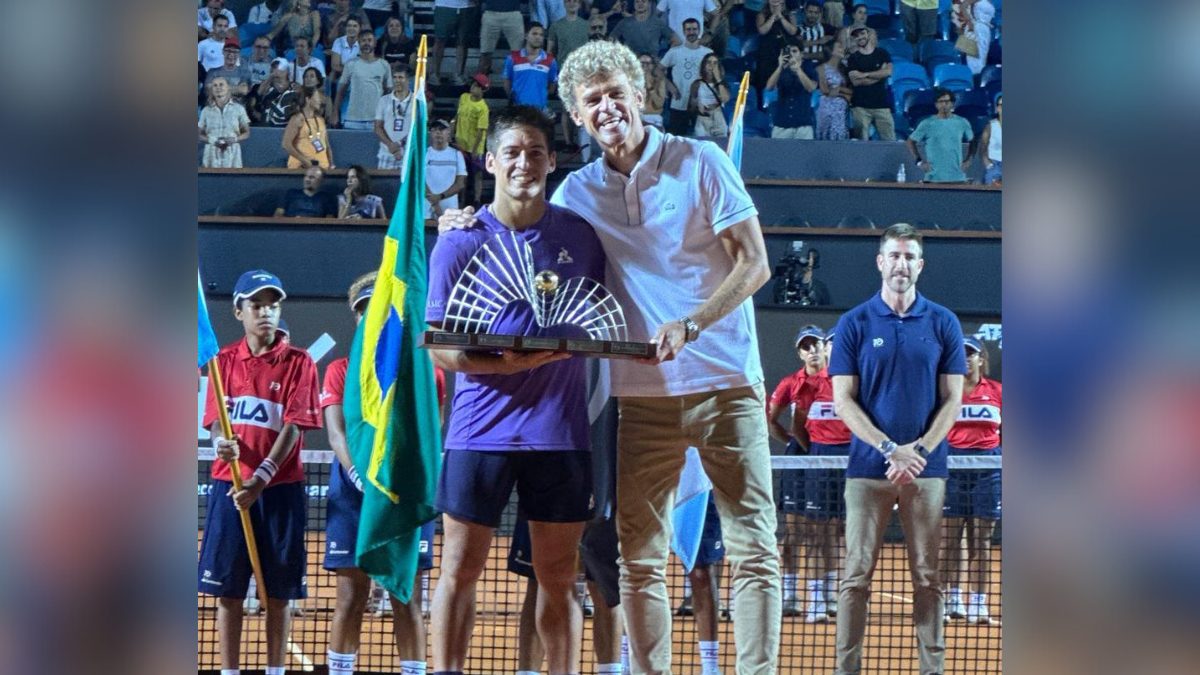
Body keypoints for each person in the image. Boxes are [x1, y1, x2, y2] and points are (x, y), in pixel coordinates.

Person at [552, 40, 780, 673]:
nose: (607, 107)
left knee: (753, 548)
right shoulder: (575, 192)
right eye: (592, 100)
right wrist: (464, 221)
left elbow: (755, 263)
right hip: (640, 396)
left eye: (615, 93)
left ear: (640, 95)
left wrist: (692, 324)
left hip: (727, 383)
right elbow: (525, 235)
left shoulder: (702, 159)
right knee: (639, 558)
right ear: (578, 115)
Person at [426, 106, 607, 675]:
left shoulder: (580, 236)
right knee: (459, 569)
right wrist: (503, 366)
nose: (523, 163)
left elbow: (600, 316)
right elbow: (438, 346)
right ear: (490, 162)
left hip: (560, 433)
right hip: (478, 432)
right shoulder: (459, 241)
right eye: (512, 152)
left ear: (552, 162)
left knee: (559, 576)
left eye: (535, 152)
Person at [829, 223, 966, 675]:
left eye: (909, 257)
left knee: (928, 577)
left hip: (927, 471)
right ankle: (847, 670)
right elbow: (843, 400)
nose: (901, 264)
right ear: (880, 261)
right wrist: (890, 448)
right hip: (868, 471)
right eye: (894, 255)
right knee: (855, 576)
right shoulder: (854, 323)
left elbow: (953, 399)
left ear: (920, 265)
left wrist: (918, 451)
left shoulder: (943, 322)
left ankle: (932, 670)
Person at [199, 269, 322, 675]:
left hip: (279, 490)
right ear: (239, 312)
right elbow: (217, 423)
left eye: (272, 305)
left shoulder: (300, 363)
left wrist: (261, 478)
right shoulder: (221, 362)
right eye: (256, 305)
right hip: (229, 487)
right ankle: (229, 671)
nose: (265, 312)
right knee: (228, 592)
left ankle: (275, 670)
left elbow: (294, 426)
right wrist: (222, 443)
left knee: (279, 593)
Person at [321, 272, 438, 675]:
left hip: (403, 495)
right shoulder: (339, 370)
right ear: (356, 319)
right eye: (362, 311)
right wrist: (359, 477)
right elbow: (337, 434)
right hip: (353, 495)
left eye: (378, 308)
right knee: (350, 598)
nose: (370, 316)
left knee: (406, 597)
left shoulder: (423, 371)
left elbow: (429, 430)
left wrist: (402, 481)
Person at [941, 335, 1001, 627]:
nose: (965, 359)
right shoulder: (945, 391)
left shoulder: (999, 391)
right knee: (949, 540)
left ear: (981, 359)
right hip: (952, 468)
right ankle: (948, 601)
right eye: (960, 354)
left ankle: (978, 604)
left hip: (988, 470)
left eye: (970, 354)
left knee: (982, 541)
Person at [673, 496, 726, 675]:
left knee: (701, 572)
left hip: (696, 491)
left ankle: (710, 668)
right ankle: (626, 662)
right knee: (638, 570)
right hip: (647, 484)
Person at [906, 88, 975, 183]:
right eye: (940, 102)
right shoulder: (927, 123)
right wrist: (919, 162)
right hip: (933, 177)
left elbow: (973, 141)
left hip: (957, 177)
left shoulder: (962, 122)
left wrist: (969, 160)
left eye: (947, 101)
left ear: (952, 103)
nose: (944, 105)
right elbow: (910, 141)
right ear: (936, 104)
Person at [660, 18, 713, 135]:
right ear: (684, 32)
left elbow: (714, 75)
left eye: (694, 29)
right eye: (688, 29)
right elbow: (658, 70)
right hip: (679, 103)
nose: (691, 32)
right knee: (677, 140)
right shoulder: (674, 52)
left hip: (701, 104)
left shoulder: (708, 53)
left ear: (699, 31)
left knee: (702, 139)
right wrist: (670, 87)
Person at [334, 30, 391, 130]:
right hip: (353, 119)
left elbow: (389, 92)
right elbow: (341, 91)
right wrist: (335, 112)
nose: (366, 43)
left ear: (375, 43)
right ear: (359, 43)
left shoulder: (384, 65)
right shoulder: (350, 64)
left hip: (376, 120)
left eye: (369, 40)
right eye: (363, 40)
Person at [846, 27, 894, 141]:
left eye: (862, 33)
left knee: (890, 141)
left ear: (868, 34)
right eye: (856, 36)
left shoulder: (882, 53)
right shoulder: (853, 58)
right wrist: (879, 75)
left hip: (882, 105)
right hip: (860, 107)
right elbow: (856, 82)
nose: (860, 37)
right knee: (862, 144)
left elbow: (888, 72)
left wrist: (864, 74)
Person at [753, 0, 799, 112]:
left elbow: (793, 31)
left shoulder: (790, 15)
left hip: (784, 55)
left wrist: (781, 17)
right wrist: (773, 16)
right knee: (764, 81)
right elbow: (762, 30)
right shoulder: (762, 15)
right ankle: (763, 108)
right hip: (767, 55)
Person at [765, 42, 818, 139]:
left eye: (794, 51)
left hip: (803, 125)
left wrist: (798, 70)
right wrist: (780, 67)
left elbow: (810, 88)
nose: (791, 54)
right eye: (788, 52)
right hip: (782, 124)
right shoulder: (780, 70)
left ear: (801, 54)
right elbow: (769, 87)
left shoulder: (809, 68)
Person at [453, 74, 491, 205]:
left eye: (476, 85)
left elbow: (481, 130)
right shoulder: (463, 97)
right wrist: (452, 130)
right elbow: (457, 116)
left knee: (477, 174)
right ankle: (461, 200)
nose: (472, 87)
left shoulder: (483, 108)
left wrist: (474, 150)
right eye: (473, 84)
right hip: (461, 143)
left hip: (476, 146)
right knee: (462, 174)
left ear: (482, 90)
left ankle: (477, 200)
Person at [503, 23, 559, 112]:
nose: (538, 37)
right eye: (534, 34)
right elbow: (507, 83)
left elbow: (552, 87)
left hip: (540, 112)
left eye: (541, 35)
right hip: (518, 110)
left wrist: (539, 97)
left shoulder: (550, 61)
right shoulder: (512, 58)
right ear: (526, 36)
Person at [198, 76, 251, 168]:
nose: (218, 88)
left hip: (232, 153)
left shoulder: (239, 109)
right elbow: (198, 134)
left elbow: (247, 133)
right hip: (211, 153)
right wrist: (213, 141)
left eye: (221, 84)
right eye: (215, 85)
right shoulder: (206, 111)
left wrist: (234, 139)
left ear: (228, 87)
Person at [424, 119, 468, 225]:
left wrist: (440, 197)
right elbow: (418, 181)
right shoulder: (424, 154)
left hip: (450, 210)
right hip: (426, 208)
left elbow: (460, 184)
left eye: (441, 129)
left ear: (448, 132)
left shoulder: (457, 154)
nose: (438, 132)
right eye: (434, 130)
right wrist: (434, 203)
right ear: (430, 133)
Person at [282, 86, 335, 168]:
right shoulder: (297, 119)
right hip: (301, 167)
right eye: (317, 97)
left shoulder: (320, 120)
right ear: (308, 99)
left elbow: (327, 145)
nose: (320, 101)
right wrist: (305, 161)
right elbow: (286, 144)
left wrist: (331, 164)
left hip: (322, 168)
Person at [375, 63, 415, 169]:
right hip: (386, 153)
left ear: (408, 80)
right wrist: (390, 145)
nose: (397, 80)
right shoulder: (384, 100)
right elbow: (377, 127)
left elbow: (418, 128)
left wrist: (399, 144)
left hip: (408, 154)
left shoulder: (417, 101)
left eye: (401, 77)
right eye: (395, 77)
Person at [432, 0, 481, 85]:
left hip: (467, 6)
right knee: (439, 40)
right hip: (444, 5)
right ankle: (435, 74)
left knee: (463, 41)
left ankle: (459, 74)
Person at [611, 0, 678, 57]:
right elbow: (610, 40)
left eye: (643, 1)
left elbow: (676, 41)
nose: (640, 4)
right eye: (637, 1)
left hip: (652, 63)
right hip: (631, 63)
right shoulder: (624, 23)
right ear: (634, 4)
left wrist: (664, 61)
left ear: (649, 3)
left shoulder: (657, 22)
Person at [479, 0, 528, 77]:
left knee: (518, 52)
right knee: (485, 52)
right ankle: (482, 82)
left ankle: (519, 82)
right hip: (491, 13)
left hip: (513, 13)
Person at [688, 53, 731, 139]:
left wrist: (718, 79)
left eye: (715, 63)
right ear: (704, 65)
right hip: (703, 118)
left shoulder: (723, 84)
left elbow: (725, 99)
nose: (712, 66)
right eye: (709, 62)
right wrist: (697, 106)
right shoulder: (697, 84)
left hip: (718, 117)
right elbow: (691, 106)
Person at [816, 41, 851, 140]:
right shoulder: (821, 68)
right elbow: (825, 90)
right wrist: (842, 93)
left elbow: (851, 91)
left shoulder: (844, 69)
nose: (842, 49)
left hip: (842, 110)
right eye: (839, 47)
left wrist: (838, 90)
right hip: (826, 108)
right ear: (831, 51)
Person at [251, 58, 297, 126]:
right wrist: (270, 77)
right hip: (264, 124)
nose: (276, 70)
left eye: (279, 67)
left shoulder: (294, 87)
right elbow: (258, 94)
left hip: (284, 125)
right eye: (274, 67)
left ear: (287, 70)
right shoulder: (267, 86)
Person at [956, 0, 995, 77]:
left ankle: (978, 79)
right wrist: (970, 23)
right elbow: (963, 6)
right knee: (973, 60)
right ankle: (973, 79)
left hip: (985, 29)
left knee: (982, 59)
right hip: (976, 28)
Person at [638, 53, 668, 130]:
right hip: (637, 117)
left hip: (653, 117)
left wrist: (650, 86)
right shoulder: (631, 81)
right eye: (642, 63)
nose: (645, 66)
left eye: (648, 63)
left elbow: (659, 104)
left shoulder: (660, 80)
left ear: (653, 65)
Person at [977, 94, 1001, 185]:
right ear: (997, 108)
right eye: (1001, 105)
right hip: (995, 165)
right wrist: (989, 165)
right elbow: (983, 148)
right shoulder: (990, 126)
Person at [329, 16, 363, 82]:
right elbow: (335, 65)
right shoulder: (338, 41)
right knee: (332, 74)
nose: (351, 28)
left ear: (360, 28)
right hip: (341, 74)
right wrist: (349, 72)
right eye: (349, 26)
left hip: (358, 75)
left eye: (355, 26)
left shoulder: (363, 43)